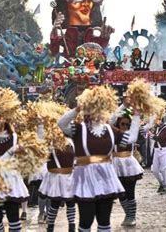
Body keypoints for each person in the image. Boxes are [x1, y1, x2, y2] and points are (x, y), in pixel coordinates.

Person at [57, 91, 140, 232]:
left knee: (104, 219)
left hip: (106, 179)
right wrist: (77, 109)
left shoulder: (110, 129)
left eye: (99, 109)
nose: (96, 113)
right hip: (85, 179)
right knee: (86, 219)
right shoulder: (78, 129)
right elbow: (61, 123)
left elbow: (131, 137)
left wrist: (136, 115)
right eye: (92, 108)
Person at [111, 108, 143, 227]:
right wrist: (123, 106)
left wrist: (136, 116)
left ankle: (131, 216)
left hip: (129, 166)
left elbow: (136, 125)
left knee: (130, 192)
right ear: (118, 124)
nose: (125, 126)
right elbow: (110, 120)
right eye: (122, 124)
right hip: (115, 166)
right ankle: (128, 214)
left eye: (127, 124)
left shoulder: (131, 135)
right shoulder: (113, 133)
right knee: (120, 194)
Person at [39, 135, 76, 232]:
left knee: (71, 203)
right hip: (56, 177)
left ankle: (72, 226)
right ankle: (50, 226)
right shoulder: (50, 142)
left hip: (69, 177)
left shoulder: (71, 141)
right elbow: (41, 152)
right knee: (55, 204)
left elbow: (75, 158)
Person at [149, 117, 166, 194]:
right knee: (154, 170)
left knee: (163, 169)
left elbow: (159, 138)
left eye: (157, 120)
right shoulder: (157, 128)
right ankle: (161, 183)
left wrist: (151, 134)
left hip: (165, 150)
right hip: (157, 150)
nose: (155, 122)